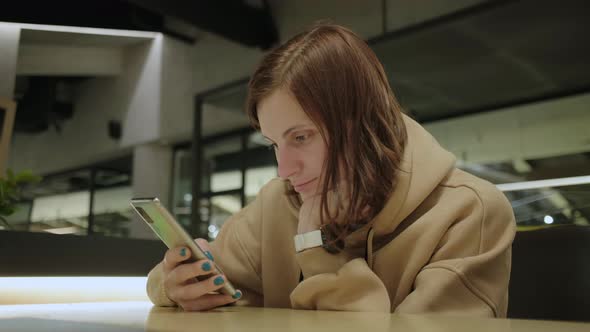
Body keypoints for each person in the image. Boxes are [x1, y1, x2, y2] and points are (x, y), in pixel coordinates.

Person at [146, 23, 516, 316]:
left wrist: (319, 253)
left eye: (302, 137)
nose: (284, 170)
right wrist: (175, 284)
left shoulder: (470, 212)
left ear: (362, 124)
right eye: (275, 144)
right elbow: (167, 282)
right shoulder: (279, 202)